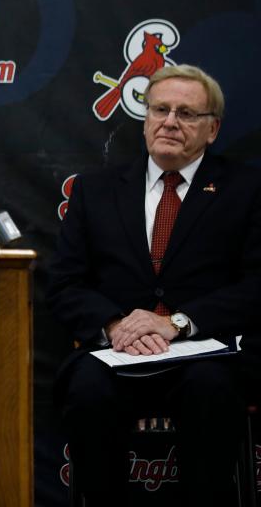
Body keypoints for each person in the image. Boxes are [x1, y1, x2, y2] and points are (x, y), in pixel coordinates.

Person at [48, 64, 261, 505]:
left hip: (207, 357)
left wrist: (179, 323)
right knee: (85, 388)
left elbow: (257, 284)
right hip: (115, 353)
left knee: (213, 390)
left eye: (187, 114)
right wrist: (113, 325)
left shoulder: (247, 189)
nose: (169, 122)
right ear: (145, 119)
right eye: (160, 109)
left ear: (212, 129)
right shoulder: (96, 190)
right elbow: (65, 283)